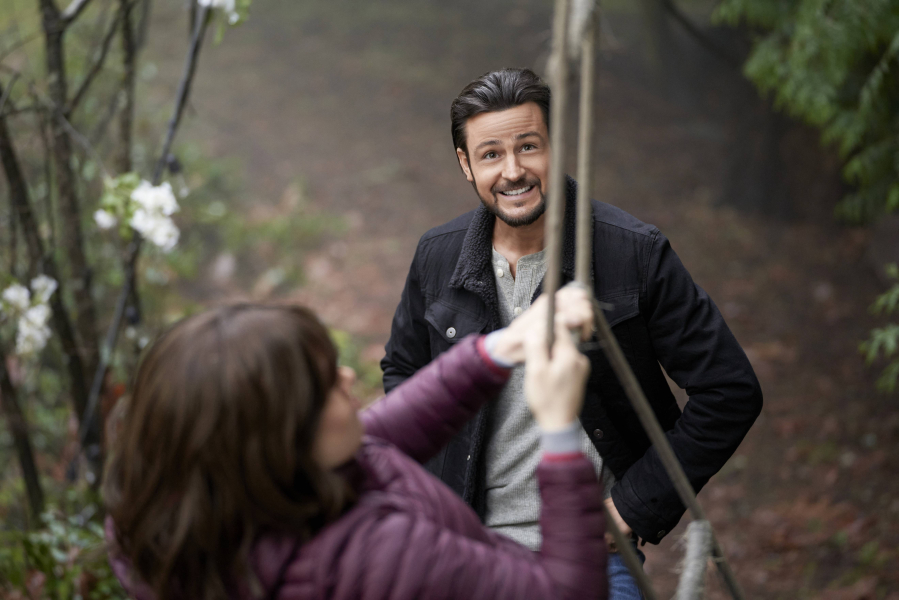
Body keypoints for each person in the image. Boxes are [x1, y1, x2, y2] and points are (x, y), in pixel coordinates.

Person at [381, 67, 763, 597]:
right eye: (491, 154)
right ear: (466, 164)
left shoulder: (632, 253)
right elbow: (403, 371)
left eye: (528, 146)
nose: (513, 171)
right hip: (466, 555)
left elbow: (729, 391)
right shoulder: (437, 256)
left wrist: (631, 508)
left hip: (592, 556)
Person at [102, 289, 609, 600]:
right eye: (327, 384)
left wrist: (500, 348)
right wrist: (559, 433)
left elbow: (379, 438)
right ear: (284, 438)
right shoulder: (373, 559)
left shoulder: (195, 510)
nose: (347, 376)